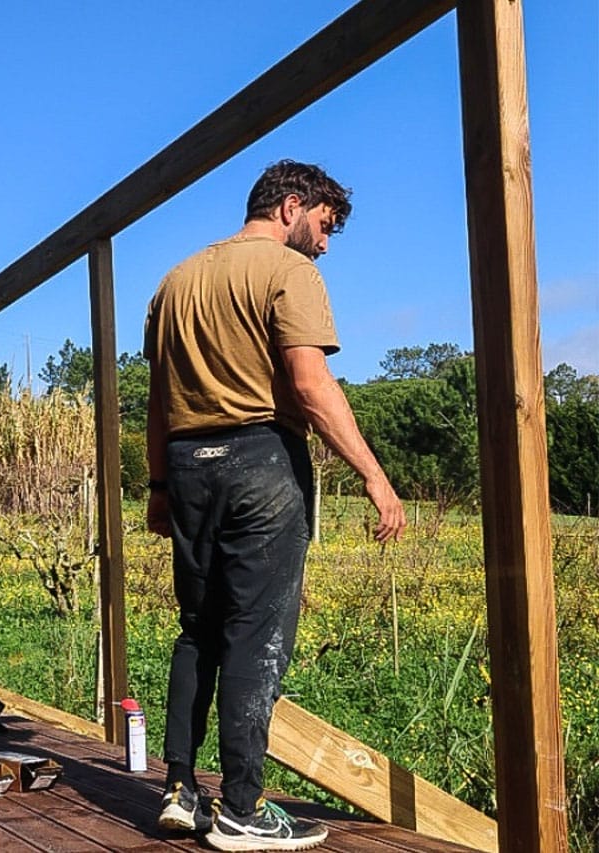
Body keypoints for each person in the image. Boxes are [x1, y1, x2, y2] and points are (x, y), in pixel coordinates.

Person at [143, 160, 405, 851]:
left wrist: (160, 487)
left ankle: (180, 788)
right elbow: (310, 383)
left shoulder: (175, 281)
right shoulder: (289, 274)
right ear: (293, 205)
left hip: (188, 466)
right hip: (261, 460)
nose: (324, 243)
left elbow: (158, 403)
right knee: (256, 637)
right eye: (324, 225)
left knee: (197, 628)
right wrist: (375, 477)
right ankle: (242, 808)